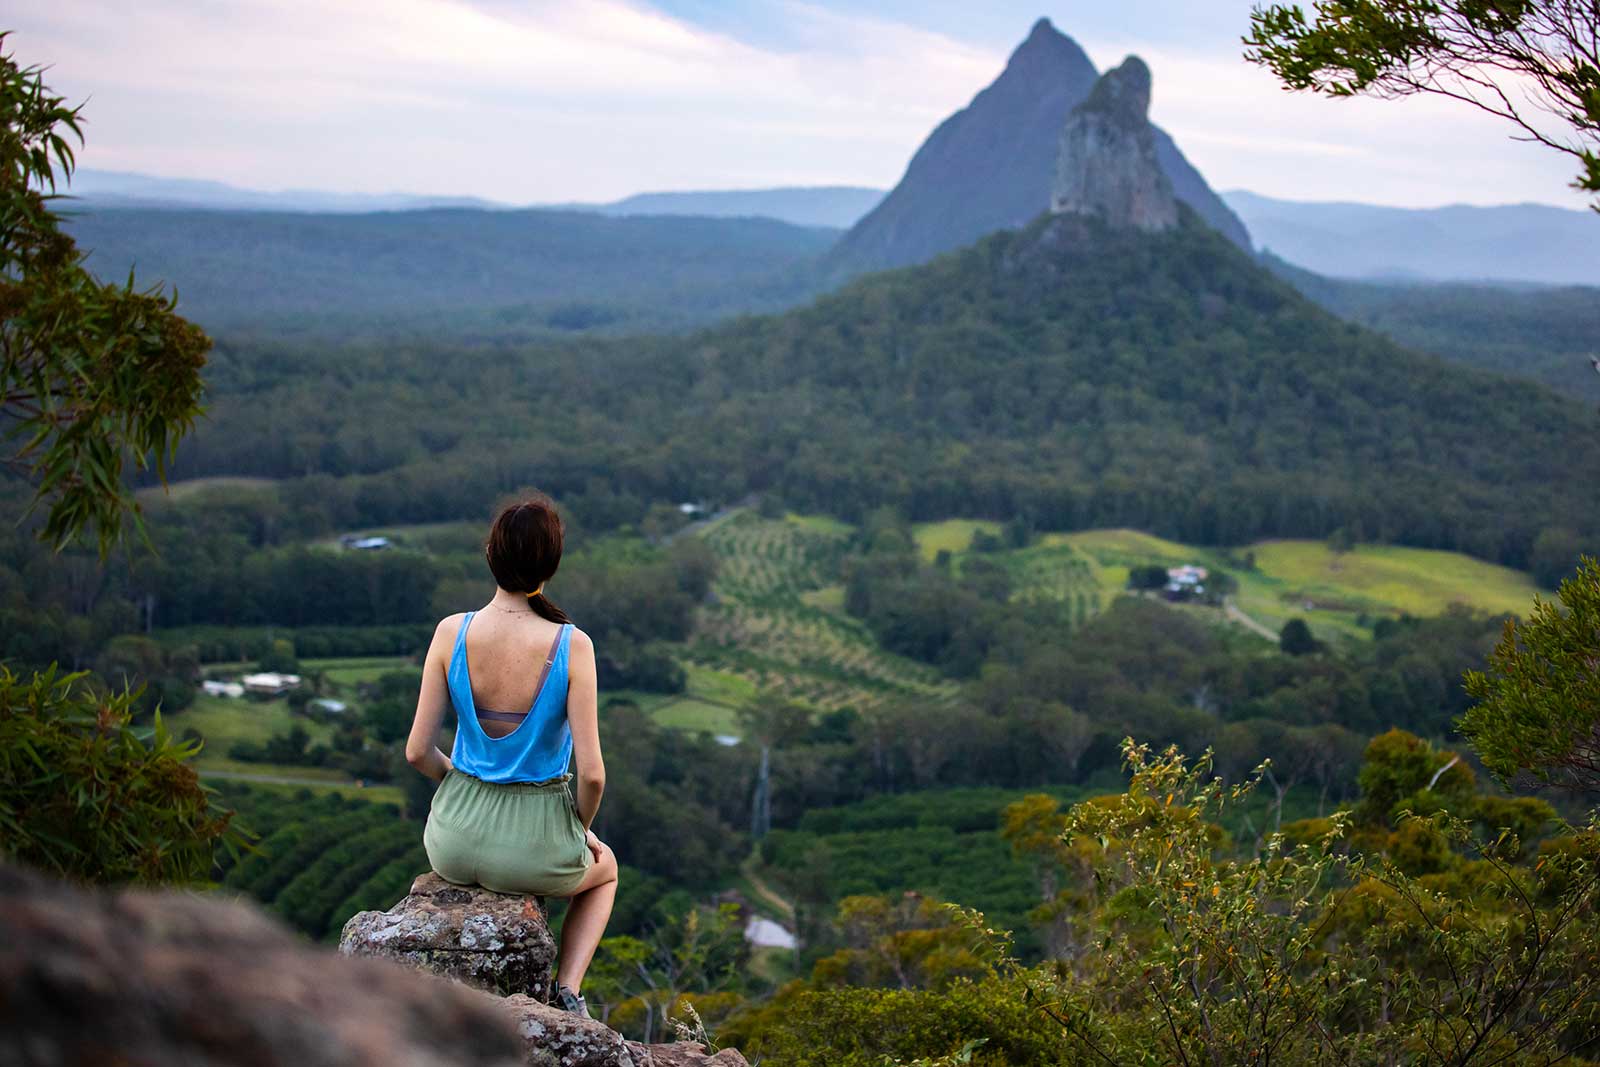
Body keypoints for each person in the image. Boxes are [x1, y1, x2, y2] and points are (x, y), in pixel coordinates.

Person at [405, 495, 616, 1018]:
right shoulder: (573, 645)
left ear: (490, 555)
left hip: (451, 842)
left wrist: (459, 781)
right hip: (534, 846)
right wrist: (577, 829)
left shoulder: (450, 632)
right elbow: (592, 776)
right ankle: (567, 992)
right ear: (551, 564)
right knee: (606, 869)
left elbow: (416, 752)